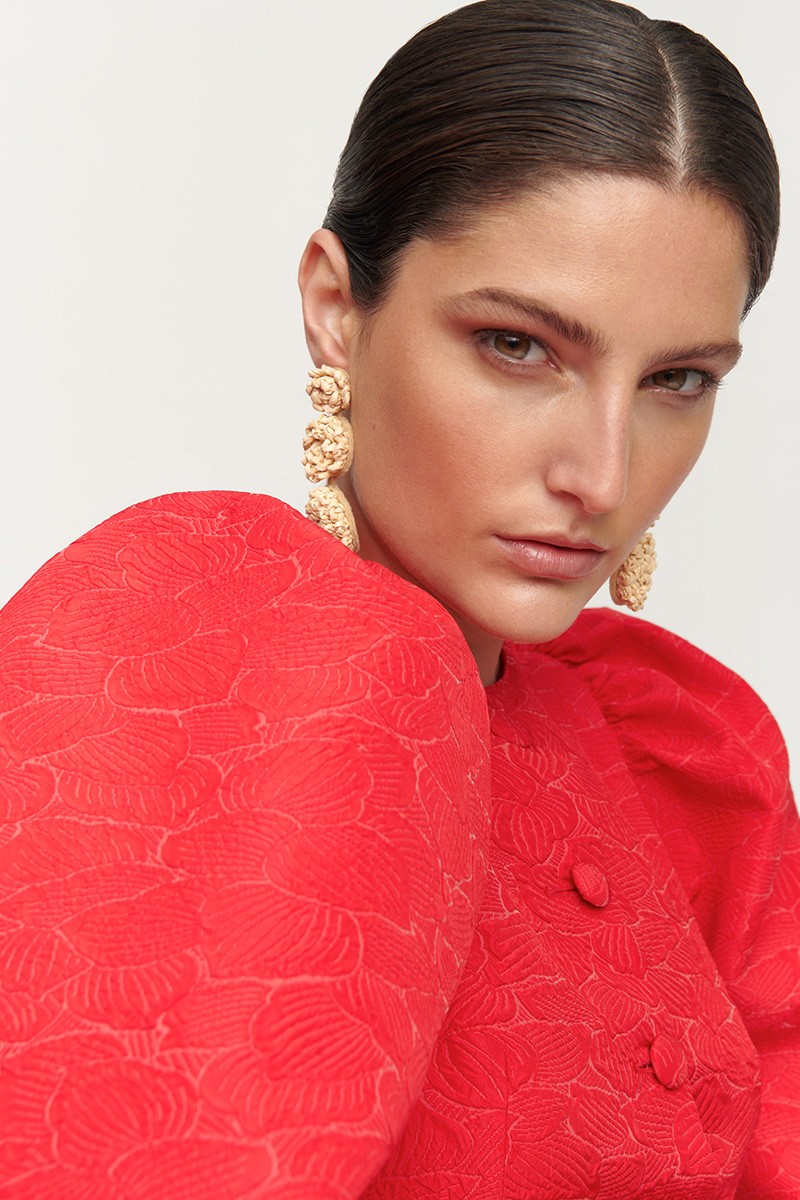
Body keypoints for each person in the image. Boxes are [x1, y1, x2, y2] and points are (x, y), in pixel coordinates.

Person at [0, 0, 797, 1197]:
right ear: (336, 307)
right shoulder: (188, 651)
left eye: (676, 379)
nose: (602, 475)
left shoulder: (683, 761)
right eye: (517, 346)